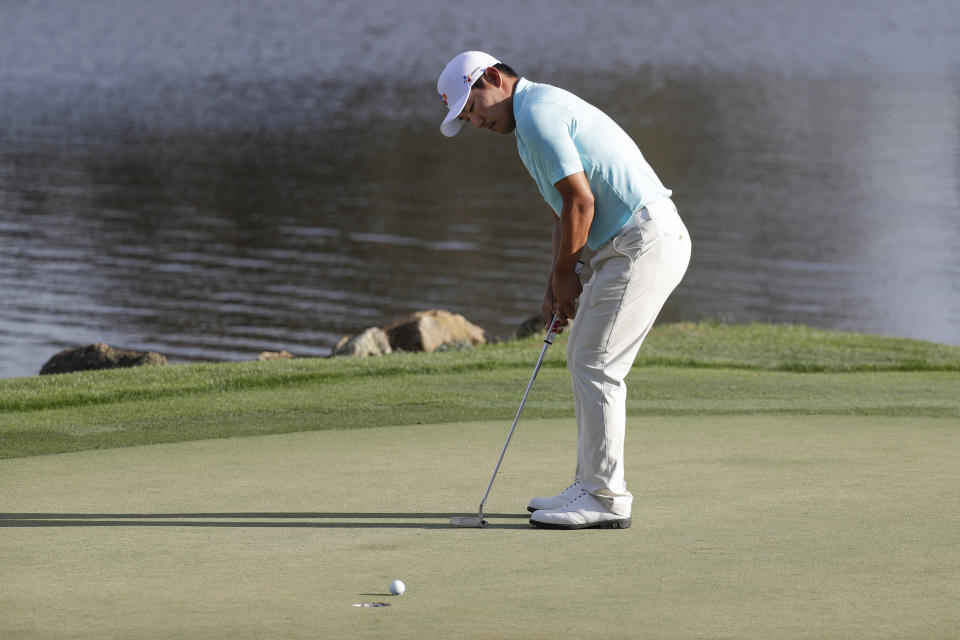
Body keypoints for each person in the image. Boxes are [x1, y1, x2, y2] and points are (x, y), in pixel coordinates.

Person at [437, 51, 691, 530]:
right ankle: (588, 483)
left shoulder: (538, 112)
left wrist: (566, 273)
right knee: (585, 356)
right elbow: (562, 211)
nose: (475, 122)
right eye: (466, 118)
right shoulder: (529, 123)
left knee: (597, 362)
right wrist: (555, 280)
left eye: (473, 108)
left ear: (493, 77)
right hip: (627, 244)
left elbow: (581, 201)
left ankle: (605, 498)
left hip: (645, 239)